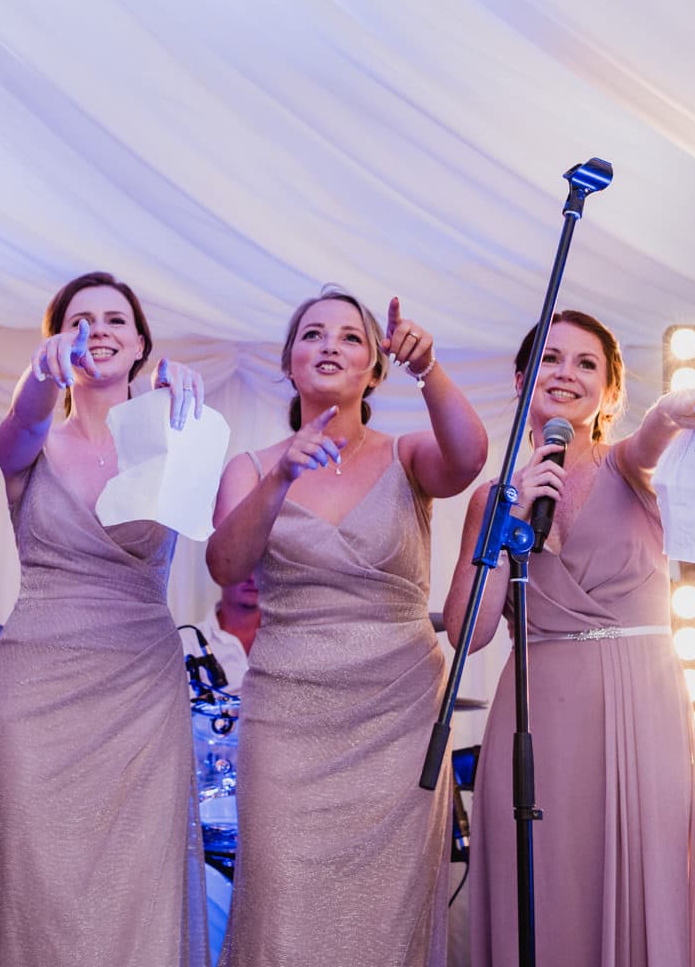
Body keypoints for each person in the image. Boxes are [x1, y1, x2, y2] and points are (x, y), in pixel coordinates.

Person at [207, 287, 487, 967]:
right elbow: (225, 563)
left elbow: (470, 458)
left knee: (385, 913)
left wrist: (432, 371)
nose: (330, 344)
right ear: (289, 363)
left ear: (375, 367)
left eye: (351, 337)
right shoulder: (249, 466)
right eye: (312, 334)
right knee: (282, 899)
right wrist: (279, 478)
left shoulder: (407, 455)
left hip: (395, 714)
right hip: (289, 715)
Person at [445, 310, 695, 967]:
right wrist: (508, 518)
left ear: (611, 392)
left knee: (639, 883)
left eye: (587, 362)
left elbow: (652, 438)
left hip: (638, 706)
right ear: (521, 379)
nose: (567, 372)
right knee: (541, 889)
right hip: (537, 714)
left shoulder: (631, 467)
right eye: (552, 358)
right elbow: (467, 632)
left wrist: (675, 410)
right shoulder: (494, 499)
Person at [0, 270, 209, 967]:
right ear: (55, 341)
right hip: (39, 686)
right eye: (80, 319)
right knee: (32, 884)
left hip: (140, 688)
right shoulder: (31, 442)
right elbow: (18, 426)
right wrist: (40, 380)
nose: (97, 330)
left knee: (137, 888)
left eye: (114, 320)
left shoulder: (172, 437)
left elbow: (219, 530)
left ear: (139, 345)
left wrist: (182, 413)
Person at [180, 576, 259, 695]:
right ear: (218, 570)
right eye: (242, 565)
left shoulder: (291, 638)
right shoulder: (186, 643)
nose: (252, 578)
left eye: (260, 566)